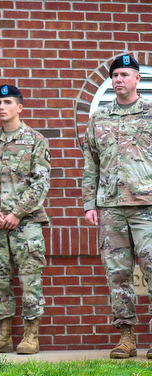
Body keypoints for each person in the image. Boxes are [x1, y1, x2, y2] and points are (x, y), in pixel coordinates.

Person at [82, 54, 152, 359]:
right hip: (110, 206)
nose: (118, 79)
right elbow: (90, 165)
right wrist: (89, 204)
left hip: (146, 205)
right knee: (117, 274)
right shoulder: (99, 118)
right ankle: (126, 337)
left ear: (138, 78)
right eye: (114, 76)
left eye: (125, 74)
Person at [0, 85, 51, 355]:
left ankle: (31, 335)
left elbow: (40, 184)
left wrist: (17, 212)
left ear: (20, 107)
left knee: (30, 279)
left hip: (27, 224)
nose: (1, 107)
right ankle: (4, 335)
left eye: (7, 102)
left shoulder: (35, 140)